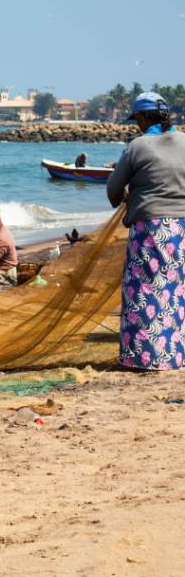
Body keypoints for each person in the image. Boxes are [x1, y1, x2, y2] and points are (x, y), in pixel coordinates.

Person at [105, 90, 185, 370]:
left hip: (150, 230)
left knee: (144, 291)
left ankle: (142, 358)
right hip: (182, 230)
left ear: (141, 117)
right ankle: (175, 357)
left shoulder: (138, 145)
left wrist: (123, 198)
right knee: (174, 291)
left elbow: (114, 188)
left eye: (136, 118)